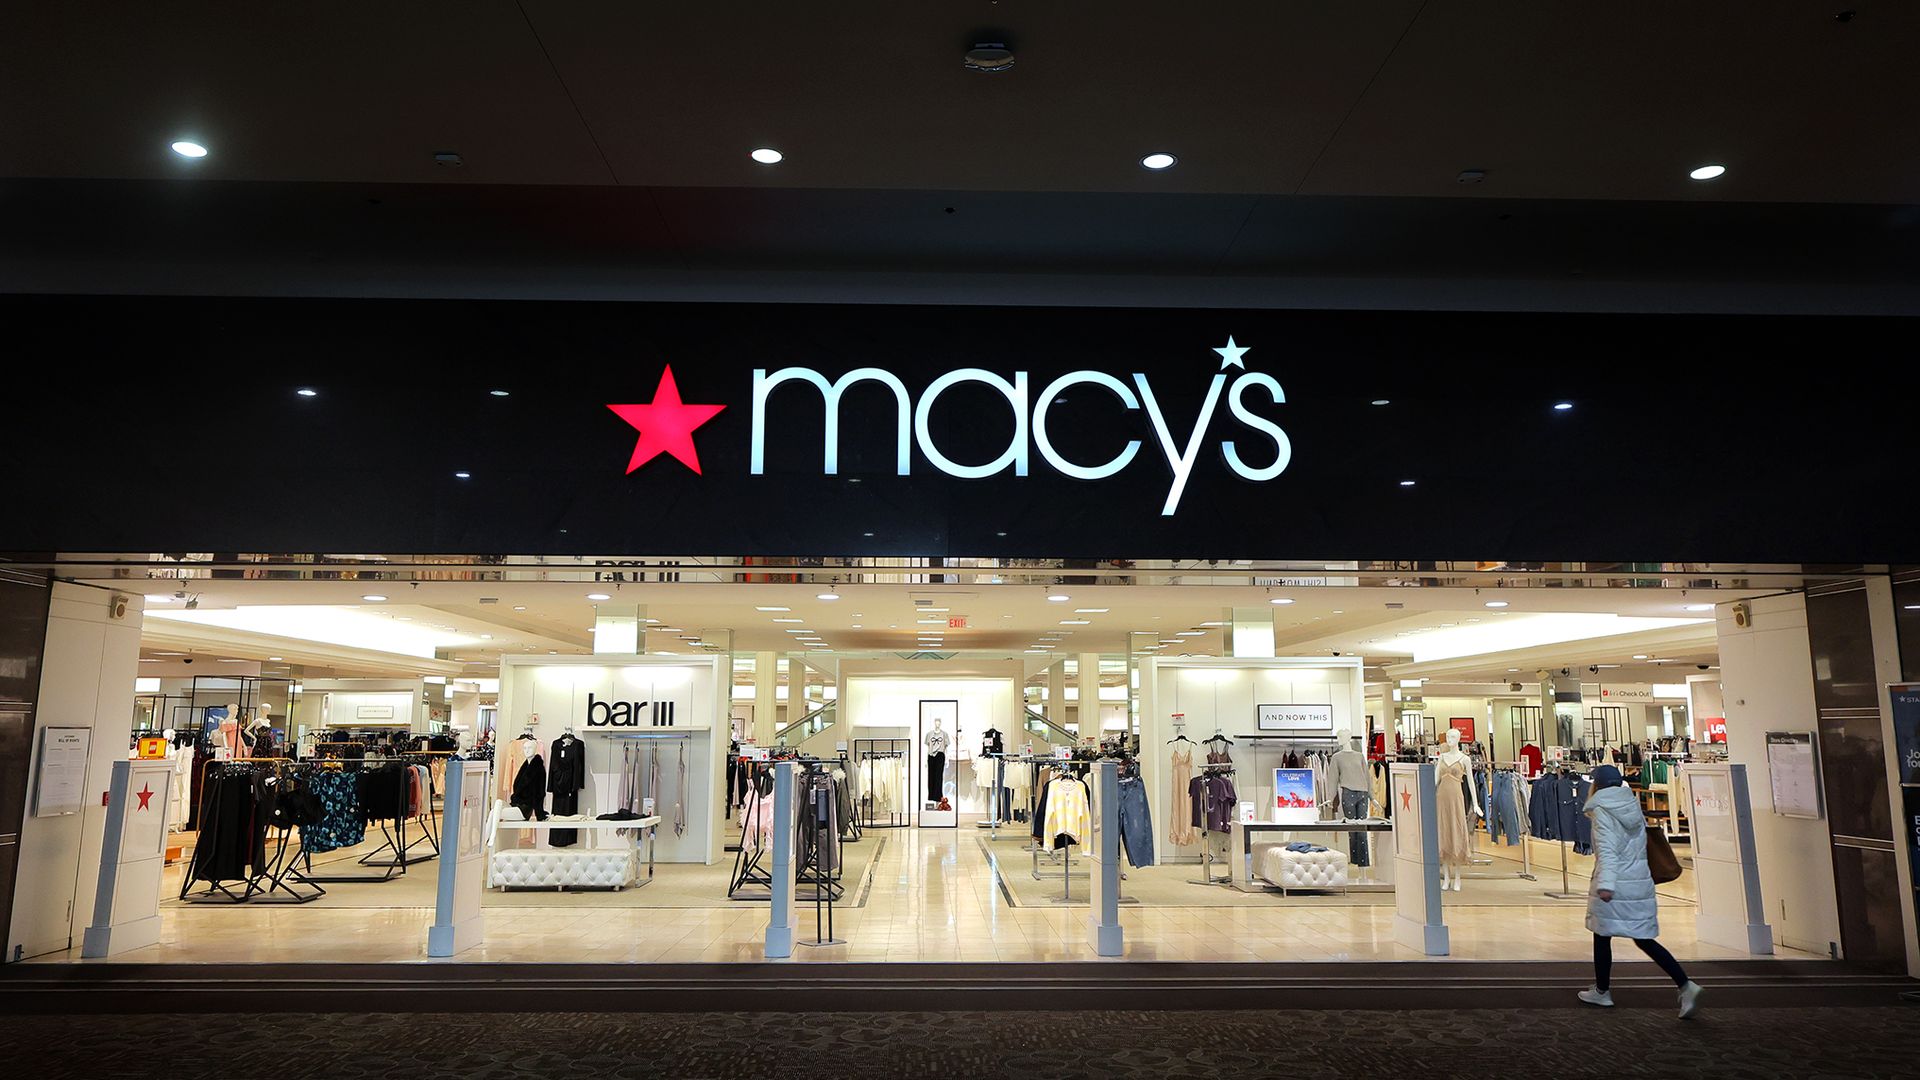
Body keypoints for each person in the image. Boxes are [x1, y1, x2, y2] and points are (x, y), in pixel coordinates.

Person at [1577, 764, 1704, 1018]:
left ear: (1596, 785)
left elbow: (1608, 850)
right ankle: (1685, 984)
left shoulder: (1602, 810)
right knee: (1642, 938)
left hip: (1616, 884)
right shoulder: (1631, 804)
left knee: (1602, 934)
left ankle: (1602, 992)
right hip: (1638, 880)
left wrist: (1606, 885)